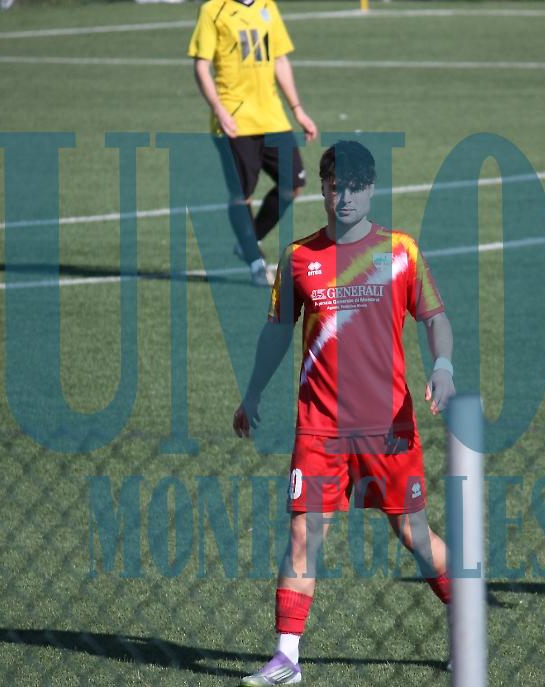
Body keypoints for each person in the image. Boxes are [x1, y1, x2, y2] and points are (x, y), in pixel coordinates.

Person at [232, 141, 456, 684]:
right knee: (303, 535)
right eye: (336, 187)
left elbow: (434, 317)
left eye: (356, 188)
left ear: (371, 190)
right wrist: (252, 392)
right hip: (320, 428)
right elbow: (276, 332)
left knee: (415, 535)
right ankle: (287, 658)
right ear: (325, 190)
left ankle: (465, 619)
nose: (346, 198)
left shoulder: (400, 251)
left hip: (389, 428)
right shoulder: (298, 258)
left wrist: (443, 365)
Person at [187, 0, 317, 287]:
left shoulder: (267, 6)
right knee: (242, 194)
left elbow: (280, 60)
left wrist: (297, 110)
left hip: (273, 118)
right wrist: (219, 109)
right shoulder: (213, 10)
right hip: (235, 122)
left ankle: (247, 242)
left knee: (293, 183)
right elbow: (201, 66)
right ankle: (255, 262)